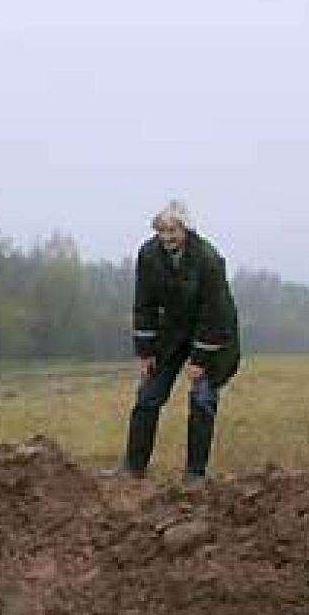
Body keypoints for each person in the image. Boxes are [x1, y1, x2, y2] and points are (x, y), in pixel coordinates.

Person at [120, 200, 241, 479]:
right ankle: (133, 468)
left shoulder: (209, 260)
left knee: (202, 398)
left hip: (214, 334)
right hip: (172, 331)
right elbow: (144, 305)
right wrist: (146, 351)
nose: (166, 237)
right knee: (148, 395)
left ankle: (195, 475)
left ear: (185, 230)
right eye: (161, 230)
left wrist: (200, 359)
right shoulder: (148, 255)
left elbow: (216, 313)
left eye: (172, 230)